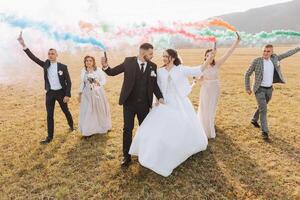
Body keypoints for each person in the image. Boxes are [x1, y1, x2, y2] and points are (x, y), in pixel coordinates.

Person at [129, 49, 213, 177]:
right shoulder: (159, 71)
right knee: (156, 128)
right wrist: (156, 100)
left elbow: (198, 69)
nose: (163, 58)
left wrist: (210, 58)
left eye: (166, 56)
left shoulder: (181, 69)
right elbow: (156, 87)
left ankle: (176, 150)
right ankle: (152, 153)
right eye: (162, 56)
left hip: (179, 102)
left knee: (179, 126)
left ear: (173, 58)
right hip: (163, 102)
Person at [101, 43, 164, 167]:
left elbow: (154, 84)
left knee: (144, 129)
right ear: (142, 53)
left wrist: (160, 96)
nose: (152, 56)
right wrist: (105, 66)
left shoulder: (153, 66)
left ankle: (144, 153)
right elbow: (113, 72)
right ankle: (126, 156)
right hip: (129, 103)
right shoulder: (128, 61)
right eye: (150, 53)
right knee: (127, 129)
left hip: (145, 104)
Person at [17, 31, 74, 144]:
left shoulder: (63, 67)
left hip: (61, 93)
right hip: (50, 93)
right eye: (49, 53)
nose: (51, 55)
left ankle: (72, 126)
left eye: (53, 53)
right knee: (49, 115)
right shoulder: (45, 65)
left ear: (57, 55)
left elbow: (69, 82)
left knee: (65, 110)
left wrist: (67, 95)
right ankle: (49, 137)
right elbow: (33, 58)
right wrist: (23, 45)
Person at [245, 44, 300, 140]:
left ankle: (254, 119)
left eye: (268, 51)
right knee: (264, 110)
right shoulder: (257, 61)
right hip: (259, 89)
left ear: (272, 52)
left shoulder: (275, 59)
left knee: (263, 106)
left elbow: (288, 53)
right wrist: (248, 87)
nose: (265, 53)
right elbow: (247, 74)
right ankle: (264, 132)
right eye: (264, 51)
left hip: (269, 89)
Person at [197, 32, 240, 139]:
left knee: (212, 108)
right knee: (204, 107)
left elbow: (228, 52)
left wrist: (237, 41)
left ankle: (210, 127)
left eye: (211, 55)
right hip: (206, 88)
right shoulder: (202, 67)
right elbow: (198, 79)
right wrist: (199, 78)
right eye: (207, 55)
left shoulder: (217, 64)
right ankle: (203, 127)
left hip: (215, 88)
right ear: (204, 57)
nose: (209, 57)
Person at [78, 55, 111, 137]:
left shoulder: (98, 70)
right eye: (87, 61)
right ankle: (88, 130)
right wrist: (80, 93)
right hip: (87, 94)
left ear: (93, 62)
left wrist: (97, 83)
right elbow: (83, 83)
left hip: (97, 92)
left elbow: (104, 80)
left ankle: (102, 126)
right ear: (85, 62)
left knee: (99, 109)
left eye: (90, 60)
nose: (88, 62)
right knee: (88, 110)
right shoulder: (83, 71)